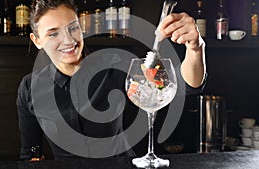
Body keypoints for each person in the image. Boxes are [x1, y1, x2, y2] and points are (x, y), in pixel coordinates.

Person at [16, 0, 206, 160]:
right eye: (53, 33)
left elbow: (184, 86)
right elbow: (30, 151)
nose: (68, 40)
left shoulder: (116, 65)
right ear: (37, 40)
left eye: (72, 28)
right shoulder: (29, 88)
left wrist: (196, 49)